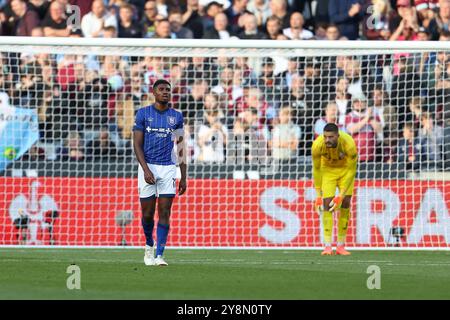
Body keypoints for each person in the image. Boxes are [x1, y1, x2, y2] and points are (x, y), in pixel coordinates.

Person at [133, 79, 187, 266]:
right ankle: (149, 244)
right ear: (154, 92)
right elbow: (137, 144)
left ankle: (159, 255)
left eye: (168, 90)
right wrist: (146, 169)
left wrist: (183, 176)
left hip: (168, 168)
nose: (165, 92)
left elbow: (180, 148)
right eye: (161, 89)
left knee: (164, 212)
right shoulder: (143, 114)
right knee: (147, 214)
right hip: (147, 167)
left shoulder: (176, 116)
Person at [312, 123, 358, 256]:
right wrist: (318, 195)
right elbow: (316, 169)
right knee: (327, 204)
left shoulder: (349, 144)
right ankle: (327, 246)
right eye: (325, 137)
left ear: (337, 135)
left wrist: (341, 196)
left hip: (345, 172)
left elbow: (351, 171)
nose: (327, 140)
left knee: (345, 202)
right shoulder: (317, 146)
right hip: (328, 171)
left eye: (331, 137)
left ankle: (340, 246)